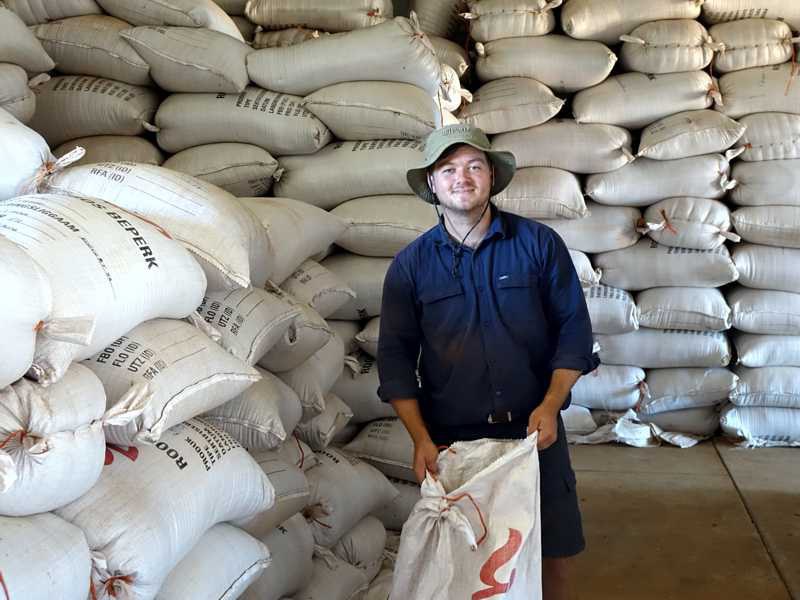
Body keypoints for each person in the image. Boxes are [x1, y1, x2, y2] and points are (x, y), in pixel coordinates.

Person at [377, 124, 599, 600]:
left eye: (474, 166)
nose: (462, 177)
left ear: (492, 177)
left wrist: (552, 403)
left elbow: (574, 332)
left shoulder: (538, 245)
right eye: (448, 169)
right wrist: (420, 439)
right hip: (454, 441)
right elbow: (395, 358)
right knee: (464, 556)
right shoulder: (411, 266)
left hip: (532, 433)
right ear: (432, 184)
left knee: (551, 547)